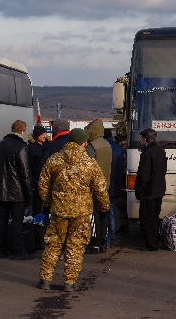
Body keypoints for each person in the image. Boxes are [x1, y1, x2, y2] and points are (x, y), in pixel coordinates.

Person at [37, 128, 110, 292]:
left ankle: (45, 280)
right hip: (81, 213)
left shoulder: (54, 160)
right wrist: (104, 207)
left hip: (58, 211)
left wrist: (48, 203)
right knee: (75, 247)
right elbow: (100, 189)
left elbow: (43, 184)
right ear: (84, 143)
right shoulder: (90, 163)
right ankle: (69, 283)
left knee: (53, 245)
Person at [0, 120, 34, 260]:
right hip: (17, 192)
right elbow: (25, 174)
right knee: (16, 221)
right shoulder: (22, 148)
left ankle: (1, 249)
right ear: (22, 131)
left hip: (2, 190)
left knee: (2, 219)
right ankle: (18, 250)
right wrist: (29, 195)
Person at [133, 128, 167, 251]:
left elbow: (143, 175)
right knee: (155, 217)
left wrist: (138, 188)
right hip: (159, 189)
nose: (140, 141)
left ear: (145, 139)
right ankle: (154, 241)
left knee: (147, 219)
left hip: (148, 191)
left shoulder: (147, 153)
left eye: (141, 138)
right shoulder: (160, 150)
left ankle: (151, 244)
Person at [84, 119, 113, 252]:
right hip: (105, 184)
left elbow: (88, 166)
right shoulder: (107, 144)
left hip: (94, 186)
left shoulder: (92, 146)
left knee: (94, 214)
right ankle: (103, 241)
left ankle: (95, 243)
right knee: (103, 213)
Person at [105, 128, 125, 246]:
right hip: (116, 184)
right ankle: (112, 235)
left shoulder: (105, 149)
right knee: (112, 210)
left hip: (107, 185)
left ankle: (108, 237)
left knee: (108, 212)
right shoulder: (119, 148)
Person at [28, 124, 48, 218]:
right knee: (36, 205)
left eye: (45, 134)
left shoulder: (48, 145)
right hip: (36, 181)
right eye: (42, 134)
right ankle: (36, 222)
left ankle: (45, 222)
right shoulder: (31, 148)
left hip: (46, 181)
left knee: (46, 205)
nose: (45, 136)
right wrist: (31, 183)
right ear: (37, 136)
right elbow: (29, 166)